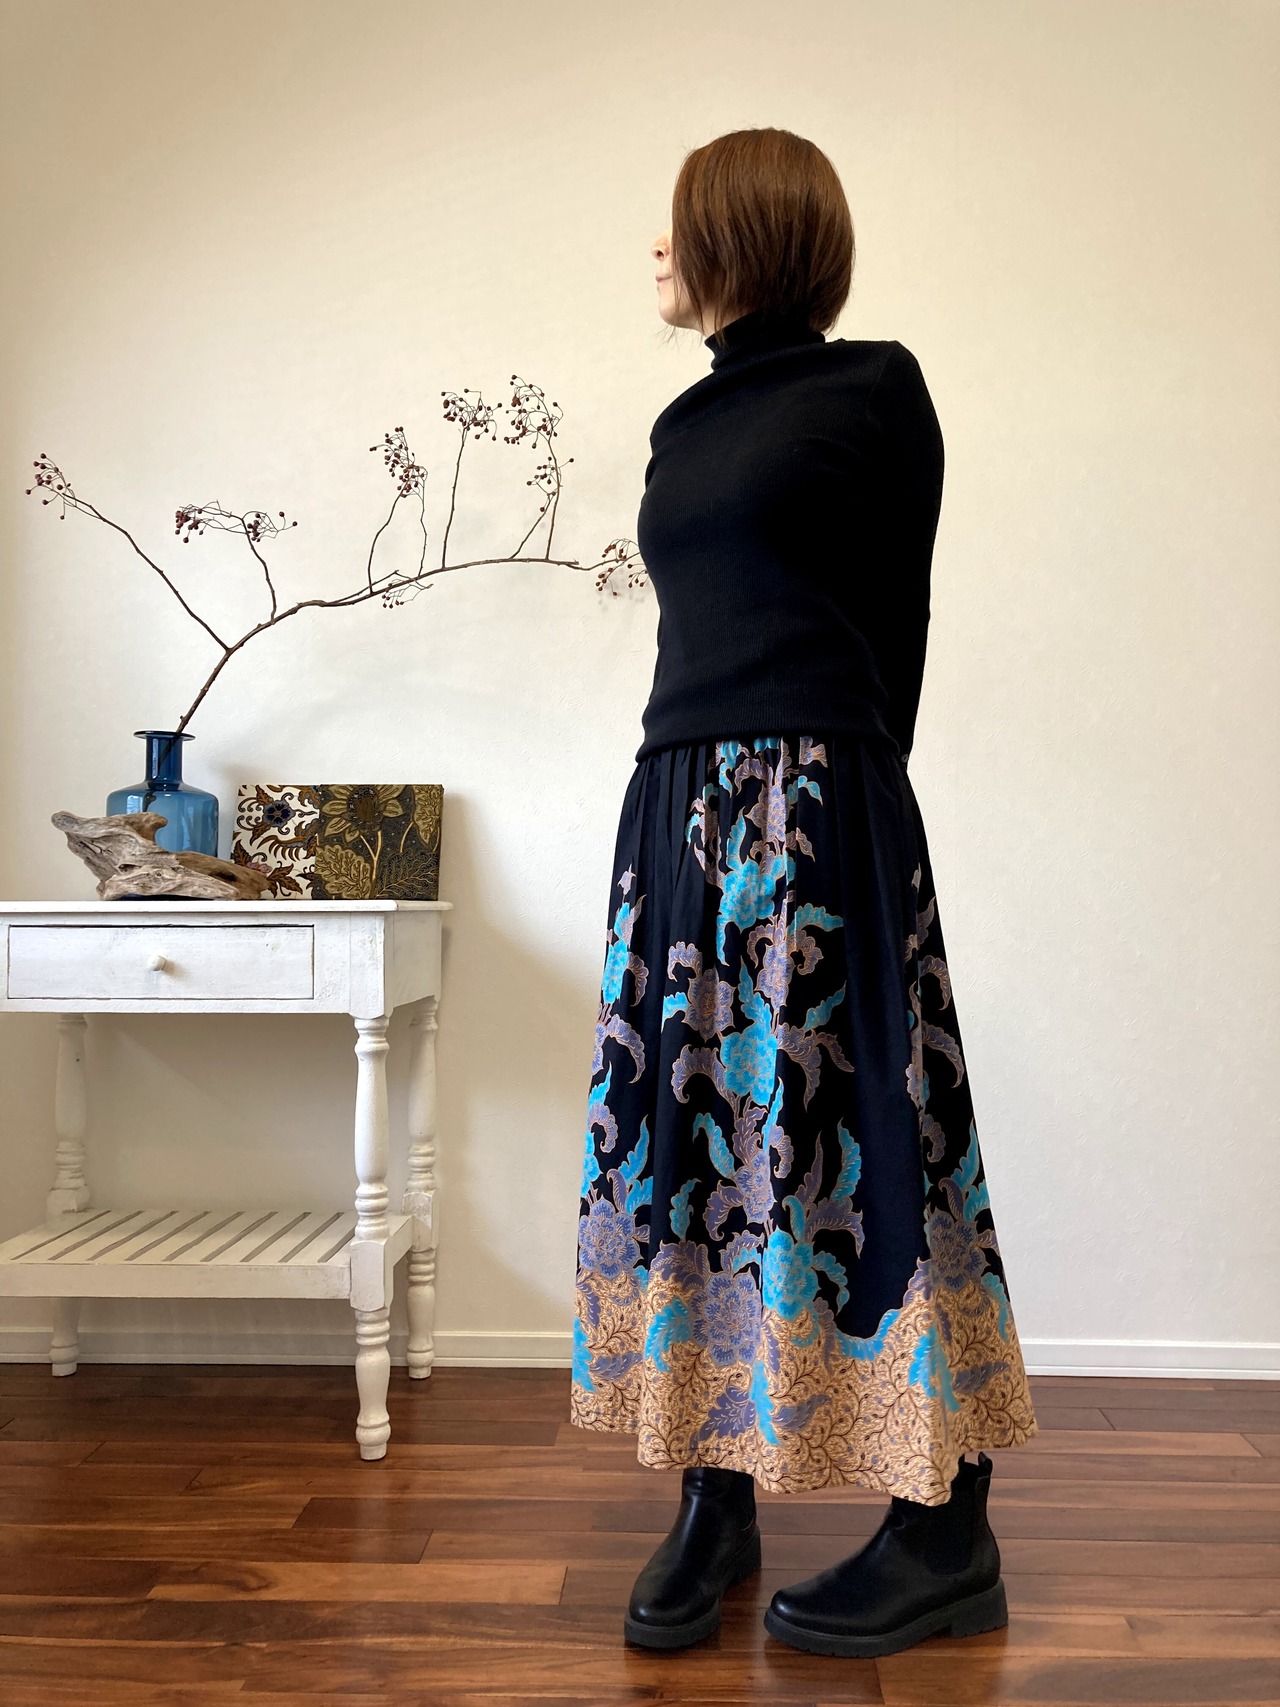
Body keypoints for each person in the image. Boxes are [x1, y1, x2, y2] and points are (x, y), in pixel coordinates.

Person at [571, 127, 1038, 1660]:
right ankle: (713, 1496)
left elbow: (895, 634)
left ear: (738, 233)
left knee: (870, 1135)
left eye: (677, 221)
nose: (656, 247)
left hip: (815, 805)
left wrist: (827, 800)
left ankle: (945, 1526)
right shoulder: (680, 423)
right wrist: (690, 817)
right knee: (689, 1152)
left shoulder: (876, 392)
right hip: (676, 812)